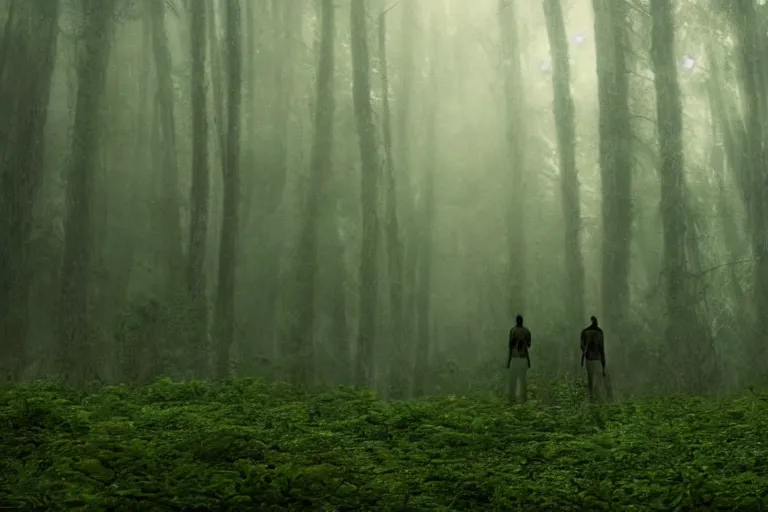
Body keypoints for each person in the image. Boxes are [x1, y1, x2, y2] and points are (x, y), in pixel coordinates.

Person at [506, 314, 532, 403]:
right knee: (521, 380)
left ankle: (513, 399)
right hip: (521, 358)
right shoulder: (526, 331)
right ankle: (522, 399)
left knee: (516, 380)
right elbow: (528, 345)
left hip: (516, 358)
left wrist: (508, 361)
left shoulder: (513, 331)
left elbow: (510, 346)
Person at [581, 316, 606, 401]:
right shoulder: (599, 332)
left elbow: (582, 346)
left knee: (590, 379)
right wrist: (603, 366)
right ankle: (596, 398)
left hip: (589, 359)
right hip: (597, 360)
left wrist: (583, 357)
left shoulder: (585, 332)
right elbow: (602, 348)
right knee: (598, 380)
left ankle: (591, 398)